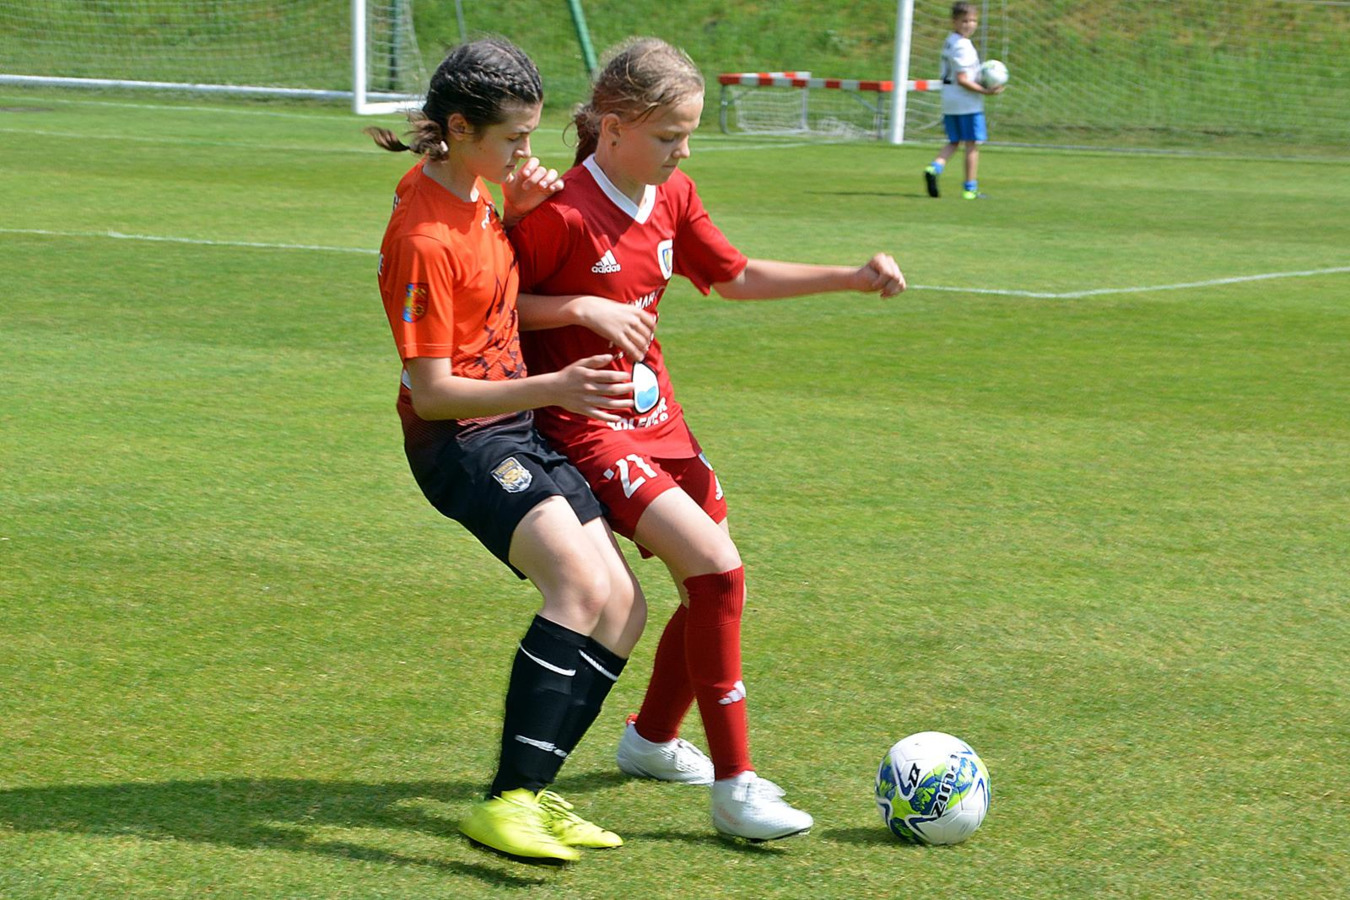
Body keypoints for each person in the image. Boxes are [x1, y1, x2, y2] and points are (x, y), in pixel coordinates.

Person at [509, 37, 906, 842]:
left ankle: (652, 741)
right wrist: (580, 309)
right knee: (720, 572)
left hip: (662, 423)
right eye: (669, 136)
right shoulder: (558, 211)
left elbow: (732, 276)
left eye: (688, 136)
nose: (682, 152)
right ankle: (736, 790)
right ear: (613, 129)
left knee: (713, 582)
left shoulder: (673, 193)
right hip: (588, 429)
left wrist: (850, 277)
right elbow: (495, 305)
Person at [367, 37, 648, 863]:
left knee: (624, 606)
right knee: (576, 585)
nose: (527, 152)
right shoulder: (423, 234)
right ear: (459, 129)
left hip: (513, 423)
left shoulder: (476, 189)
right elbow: (432, 392)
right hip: (460, 441)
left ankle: (536, 788)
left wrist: (525, 226)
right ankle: (508, 802)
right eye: (514, 138)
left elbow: (493, 302)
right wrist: (554, 388)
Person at [924, 1, 1004, 200]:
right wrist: (986, 91)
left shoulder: (950, 40)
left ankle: (934, 168)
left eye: (973, 20)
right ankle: (970, 189)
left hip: (949, 101)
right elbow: (962, 79)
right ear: (954, 21)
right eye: (964, 21)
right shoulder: (963, 46)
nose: (969, 25)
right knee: (972, 145)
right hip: (966, 102)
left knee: (954, 142)